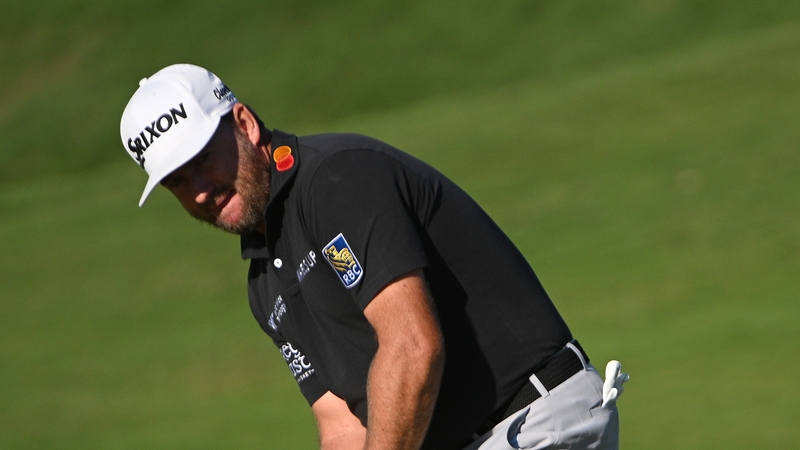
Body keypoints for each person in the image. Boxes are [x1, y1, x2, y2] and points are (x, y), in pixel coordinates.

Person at [119, 64, 629, 450]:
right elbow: (341, 424)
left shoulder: (335, 182)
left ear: (245, 124)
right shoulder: (263, 284)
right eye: (177, 182)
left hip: (532, 422)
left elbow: (412, 345)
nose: (199, 190)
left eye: (203, 159)